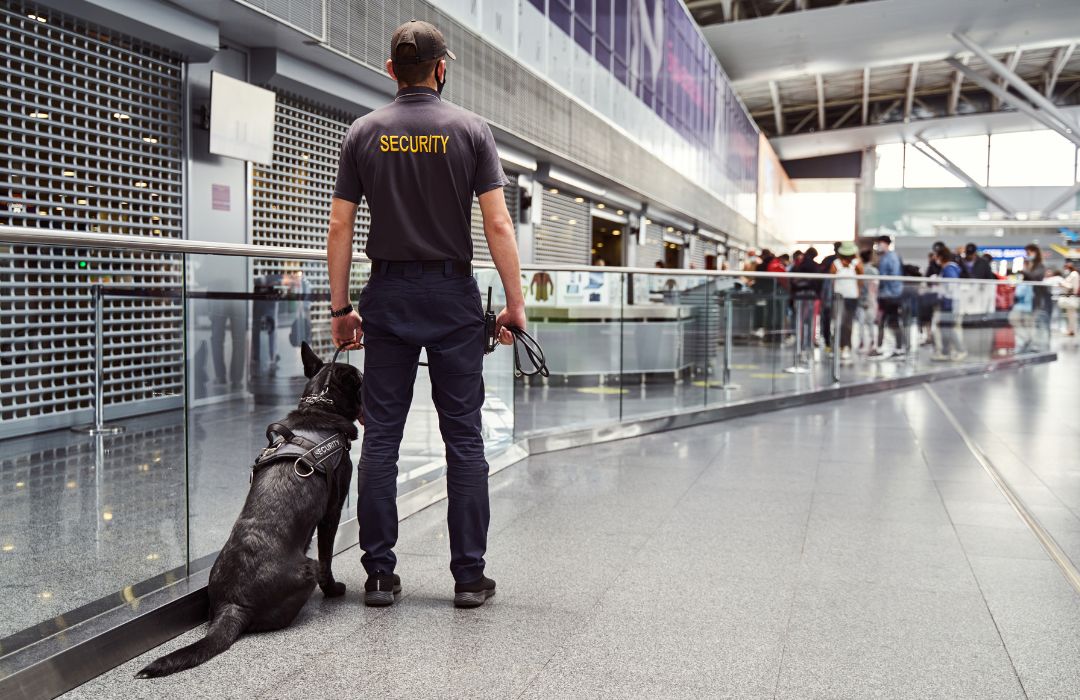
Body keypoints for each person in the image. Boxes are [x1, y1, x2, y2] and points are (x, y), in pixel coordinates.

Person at [327, 20, 523, 609]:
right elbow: (496, 224)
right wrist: (514, 304)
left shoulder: (364, 132)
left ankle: (380, 576)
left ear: (391, 70)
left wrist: (341, 308)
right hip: (451, 295)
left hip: (387, 295)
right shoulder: (470, 130)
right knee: (462, 435)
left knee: (381, 437)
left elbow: (340, 225)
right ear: (442, 69)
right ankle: (469, 576)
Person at [870, 235, 906, 359]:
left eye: (880, 243)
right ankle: (882, 347)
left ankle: (898, 347)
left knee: (892, 321)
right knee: (885, 321)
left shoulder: (891, 257)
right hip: (888, 294)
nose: (879, 246)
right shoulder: (887, 257)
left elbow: (891, 278)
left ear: (885, 243)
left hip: (890, 295)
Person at [930, 248, 966, 361]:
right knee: (945, 327)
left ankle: (960, 350)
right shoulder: (948, 269)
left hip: (949, 302)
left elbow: (951, 286)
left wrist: (939, 282)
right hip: (948, 302)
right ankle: (946, 351)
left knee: (948, 327)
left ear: (941, 257)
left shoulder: (949, 269)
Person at [829, 242, 863, 362]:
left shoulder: (857, 264)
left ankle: (846, 346)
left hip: (851, 297)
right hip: (839, 297)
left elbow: (861, 281)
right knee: (838, 322)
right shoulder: (835, 264)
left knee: (847, 323)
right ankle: (838, 345)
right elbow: (832, 282)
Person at [1021, 244, 1052, 351]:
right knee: (1027, 321)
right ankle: (1029, 341)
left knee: (1036, 320)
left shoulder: (1040, 266)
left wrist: (1025, 270)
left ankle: (1037, 343)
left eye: (1028, 253)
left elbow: (1036, 278)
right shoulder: (1029, 265)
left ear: (1034, 252)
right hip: (1028, 298)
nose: (1027, 255)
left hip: (1038, 298)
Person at [856, 249, 879, 354]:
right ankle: (872, 342)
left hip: (860, 299)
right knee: (870, 323)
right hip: (871, 299)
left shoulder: (858, 270)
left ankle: (861, 342)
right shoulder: (874, 271)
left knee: (860, 323)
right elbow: (876, 286)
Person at [1058, 262, 1079, 336]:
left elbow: (1072, 287)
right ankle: (1070, 330)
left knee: (1072, 315)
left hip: (1071, 297)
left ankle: (1072, 330)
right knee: (1070, 315)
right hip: (1070, 296)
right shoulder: (1072, 274)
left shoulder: (1074, 274)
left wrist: (1063, 284)